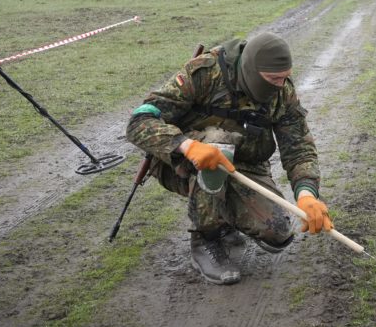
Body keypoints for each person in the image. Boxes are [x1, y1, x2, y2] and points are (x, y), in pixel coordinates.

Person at [126, 32, 333, 285]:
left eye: (285, 77)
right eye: (273, 79)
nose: (280, 85)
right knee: (218, 144)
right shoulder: (205, 73)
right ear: (250, 70)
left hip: (244, 164)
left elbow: (298, 146)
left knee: (277, 233)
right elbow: (140, 120)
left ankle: (227, 219)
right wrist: (186, 146)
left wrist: (307, 194)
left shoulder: (282, 92)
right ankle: (205, 238)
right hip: (187, 161)